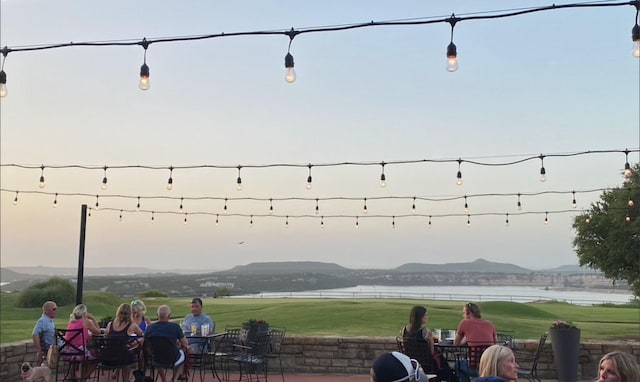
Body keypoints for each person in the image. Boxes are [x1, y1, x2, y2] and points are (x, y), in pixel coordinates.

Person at [144, 305, 189, 382]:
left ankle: (163, 379)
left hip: (156, 358)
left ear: (157, 315)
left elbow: (145, 342)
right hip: (172, 358)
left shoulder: (150, 328)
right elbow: (185, 343)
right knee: (183, 353)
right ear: (169, 316)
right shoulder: (175, 327)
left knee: (158, 355)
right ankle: (174, 379)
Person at [454, 303, 497, 382]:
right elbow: (495, 344)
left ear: (469, 313)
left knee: (458, 364)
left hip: (474, 367)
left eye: (464, 313)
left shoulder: (464, 323)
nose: (463, 316)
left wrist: (466, 338)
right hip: (490, 367)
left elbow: (456, 343)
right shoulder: (490, 324)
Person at [105, 303, 143, 381]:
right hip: (123, 358)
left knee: (121, 349)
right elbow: (141, 334)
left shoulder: (110, 324)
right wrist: (134, 343)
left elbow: (105, 337)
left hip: (108, 356)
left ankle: (116, 372)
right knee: (139, 342)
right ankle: (126, 379)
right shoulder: (132, 325)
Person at [64, 304, 101, 380]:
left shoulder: (71, 322)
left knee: (86, 357)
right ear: (84, 313)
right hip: (80, 352)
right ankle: (83, 378)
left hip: (67, 352)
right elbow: (98, 332)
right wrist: (93, 318)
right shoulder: (86, 322)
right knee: (97, 357)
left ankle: (73, 376)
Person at [32, 300, 58, 366]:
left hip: (57, 345)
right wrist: (39, 351)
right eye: (54, 309)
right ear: (46, 311)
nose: (56, 311)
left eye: (56, 309)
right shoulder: (43, 321)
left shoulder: (49, 321)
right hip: (52, 348)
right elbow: (35, 334)